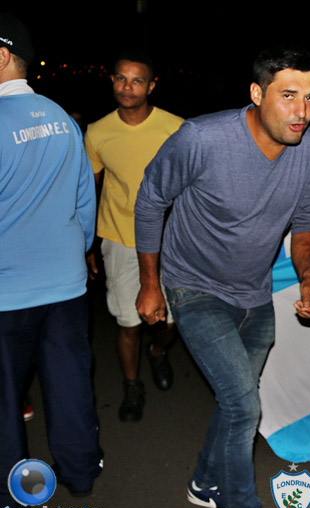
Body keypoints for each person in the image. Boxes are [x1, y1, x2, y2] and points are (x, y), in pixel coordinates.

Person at [134, 47, 310, 508]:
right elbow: (151, 201)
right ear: (257, 93)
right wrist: (149, 284)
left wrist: (309, 279)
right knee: (244, 406)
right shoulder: (202, 138)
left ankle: (203, 481)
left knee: (233, 402)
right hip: (194, 287)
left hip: (255, 294)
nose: (301, 111)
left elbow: (306, 223)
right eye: (288, 96)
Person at [0, 12, 103, 508]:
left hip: (8, 294)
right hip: (66, 286)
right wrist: (73, 253)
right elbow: (86, 201)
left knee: (5, 405)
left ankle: (12, 501)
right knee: (68, 383)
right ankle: (80, 473)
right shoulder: (62, 116)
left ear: (1, 55)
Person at [84, 51, 184, 422]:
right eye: (121, 79)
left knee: (172, 322)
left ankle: (157, 352)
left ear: (151, 86)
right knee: (128, 321)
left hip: (172, 241)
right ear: (112, 81)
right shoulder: (97, 132)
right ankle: (131, 386)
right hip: (119, 238)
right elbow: (89, 191)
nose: (128, 87)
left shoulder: (176, 128)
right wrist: (88, 243)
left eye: (137, 80)